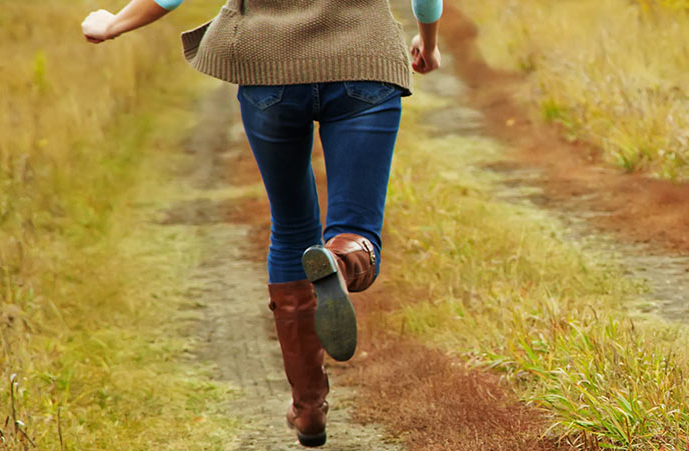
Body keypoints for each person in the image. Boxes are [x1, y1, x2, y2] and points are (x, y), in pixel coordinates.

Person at [82, 0, 442, 446]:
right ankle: (341, 261)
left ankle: (308, 406)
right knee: (356, 230)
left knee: (292, 229)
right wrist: (428, 42)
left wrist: (113, 24)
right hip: (365, 62)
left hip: (268, 70)